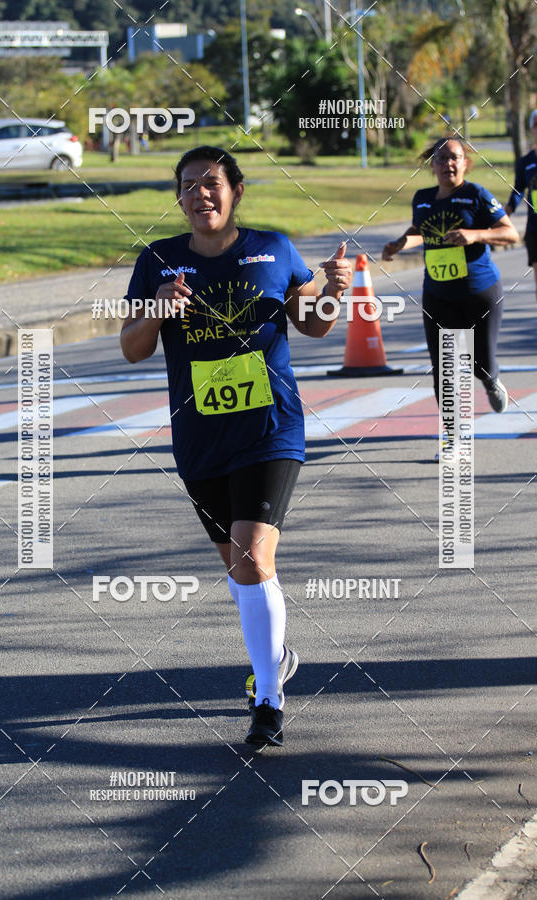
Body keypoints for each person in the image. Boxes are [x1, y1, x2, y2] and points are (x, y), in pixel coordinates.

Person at [120, 146, 353, 747]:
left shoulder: (274, 249)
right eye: (188, 185)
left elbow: (316, 323)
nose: (201, 194)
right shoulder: (158, 260)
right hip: (200, 436)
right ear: (178, 197)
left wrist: (335, 290)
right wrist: (156, 309)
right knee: (241, 571)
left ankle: (268, 700)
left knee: (252, 559)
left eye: (212, 183)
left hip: (270, 430)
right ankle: (276, 650)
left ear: (237, 191)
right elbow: (132, 347)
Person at [382, 136, 519, 449]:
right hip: (438, 295)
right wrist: (399, 244)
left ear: (465, 163)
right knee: (444, 366)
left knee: (480, 362)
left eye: (455, 158)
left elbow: (510, 233)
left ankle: (490, 378)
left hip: (480, 292)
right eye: (442, 159)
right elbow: (420, 232)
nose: (448, 164)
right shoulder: (423, 198)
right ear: (433, 166)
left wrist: (474, 235)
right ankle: (454, 435)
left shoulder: (477, 196)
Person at [504, 107, 537, 347]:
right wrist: (504, 213)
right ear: (530, 129)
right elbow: (518, 190)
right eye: (536, 124)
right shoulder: (526, 162)